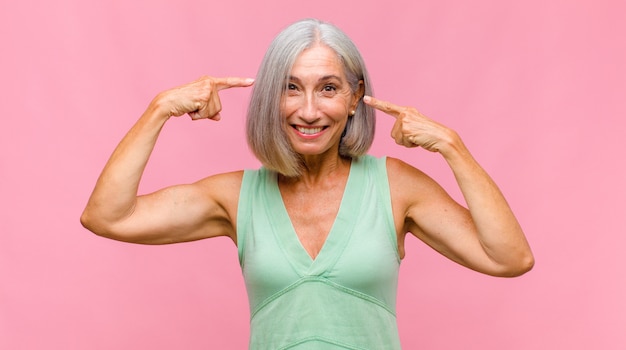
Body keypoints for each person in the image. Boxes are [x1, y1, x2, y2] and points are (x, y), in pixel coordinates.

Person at [81, 18, 533, 349]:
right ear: (270, 99)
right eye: (291, 87)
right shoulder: (236, 197)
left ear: (356, 97)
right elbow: (107, 216)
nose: (310, 110)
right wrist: (160, 108)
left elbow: (509, 257)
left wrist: (452, 146)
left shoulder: (396, 187)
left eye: (329, 88)